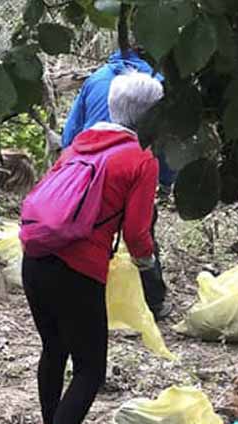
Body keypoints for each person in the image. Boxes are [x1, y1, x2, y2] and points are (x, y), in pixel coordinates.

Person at [21, 72, 161, 424]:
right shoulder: (140, 159)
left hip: (35, 259)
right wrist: (148, 267)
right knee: (90, 368)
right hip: (77, 270)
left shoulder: (78, 144)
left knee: (54, 347)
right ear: (150, 115)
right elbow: (137, 233)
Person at [62, 51, 171, 317]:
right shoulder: (156, 82)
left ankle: (92, 297)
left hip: (87, 165)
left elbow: (71, 130)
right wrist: (167, 181)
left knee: (88, 233)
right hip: (128, 171)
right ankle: (153, 301)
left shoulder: (97, 77)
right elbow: (165, 141)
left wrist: (72, 160)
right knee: (142, 232)